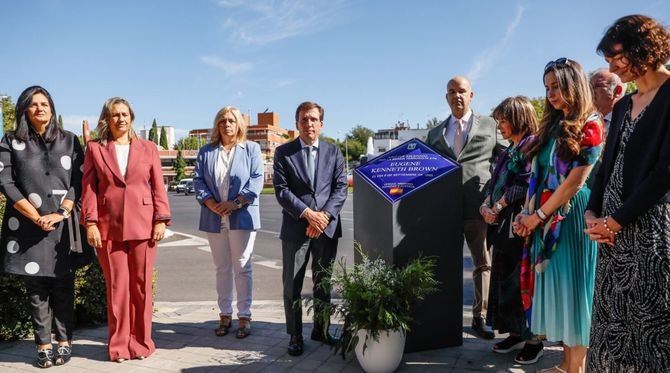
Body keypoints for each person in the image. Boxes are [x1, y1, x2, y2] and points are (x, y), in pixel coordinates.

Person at [584, 15, 670, 372]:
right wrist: (592, 213)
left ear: (644, 48)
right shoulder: (622, 105)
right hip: (610, 236)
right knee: (611, 329)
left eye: (616, 56)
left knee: (650, 328)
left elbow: (665, 172)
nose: (612, 65)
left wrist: (616, 220)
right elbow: (604, 167)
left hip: (650, 230)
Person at [513, 58, 603, 373]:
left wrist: (537, 215)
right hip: (544, 216)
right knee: (560, 291)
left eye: (557, 86)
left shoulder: (591, 123)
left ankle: (576, 368)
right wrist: (525, 215)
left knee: (574, 292)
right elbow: (536, 175)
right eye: (547, 87)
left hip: (571, 216)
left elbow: (575, 181)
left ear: (574, 84)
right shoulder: (550, 127)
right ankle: (566, 364)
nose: (551, 94)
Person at [0, 86, 87, 368]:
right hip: (27, 227)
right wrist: (36, 215)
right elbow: (6, 182)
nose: (40, 108)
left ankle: (64, 342)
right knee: (36, 291)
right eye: (34, 104)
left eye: (45, 103)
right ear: (25, 110)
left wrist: (62, 211)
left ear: (52, 107)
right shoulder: (11, 141)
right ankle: (43, 344)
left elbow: (79, 180)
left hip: (63, 225)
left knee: (63, 286)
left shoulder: (71, 141)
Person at [81, 97, 171, 362]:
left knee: (142, 286)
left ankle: (142, 343)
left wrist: (160, 219)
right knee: (117, 287)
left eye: (124, 114)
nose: (120, 119)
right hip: (109, 227)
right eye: (115, 114)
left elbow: (158, 186)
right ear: (107, 119)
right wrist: (91, 222)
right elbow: (89, 188)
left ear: (131, 117)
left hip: (144, 226)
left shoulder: (148, 148)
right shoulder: (95, 149)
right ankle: (119, 346)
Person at [426, 76, 507, 339]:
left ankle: (479, 318)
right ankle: (445, 316)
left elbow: (509, 160)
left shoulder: (491, 125)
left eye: (462, 91)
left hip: (479, 205)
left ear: (471, 95)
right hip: (445, 207)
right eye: (451, 92)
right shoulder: (435, 133)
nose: (457, 96)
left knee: (483, 263)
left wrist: (498, 196)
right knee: (444, 263)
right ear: (446, 97)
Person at [273, 101, 348, 356]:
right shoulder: (284, 153)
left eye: (313, 119)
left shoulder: (334, 152)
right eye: (304, 120)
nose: (309, 124)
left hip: (326, 228)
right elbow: (282, 191)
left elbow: (340, 188)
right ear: (297, 124)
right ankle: (295, 334)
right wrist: (308, 215)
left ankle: (322, 329)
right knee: (292, 285)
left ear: (321, 124)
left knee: (323, 281)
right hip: (297, 228)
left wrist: (323, 217)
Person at [481, 96, 543, 364]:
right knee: (505, 281)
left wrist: (497, 206)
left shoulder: (532, 147)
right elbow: (493, 181)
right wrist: (486, 204)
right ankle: (516, 332)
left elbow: (525, 183)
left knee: (522, 283)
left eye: (503, 120)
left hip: (522, 226)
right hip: (503, 226)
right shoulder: (507, 150)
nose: (500, 126)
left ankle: (534, 340)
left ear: (518, 118)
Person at [194, 106, 263, 339]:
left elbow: (256, 181)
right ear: (217, 125)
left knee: (243, 266)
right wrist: (212, 204)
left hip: (241, 214)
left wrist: (236, 203)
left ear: (239, 124)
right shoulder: (206, 152)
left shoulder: (251, 149)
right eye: (222, 121)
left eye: (232, 120)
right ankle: (225, 314)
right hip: (214, 216)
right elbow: (199, 181)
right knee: (222, 268)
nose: (227, 124)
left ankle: (245, 315)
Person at [590, 68, 625, 134]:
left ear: (617, 91)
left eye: (597, 86)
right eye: (589, 86)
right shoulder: (583, 118)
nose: (590, 90)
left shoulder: (626, 123)